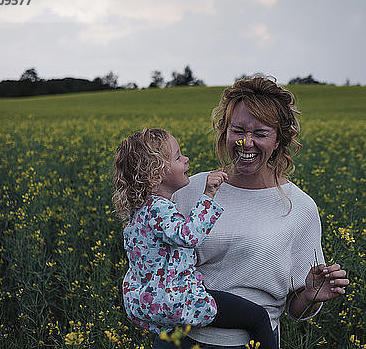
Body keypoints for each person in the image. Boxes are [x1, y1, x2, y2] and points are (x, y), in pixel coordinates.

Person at [159, 75, 349, 349]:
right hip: (180, 340)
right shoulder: (189, 189)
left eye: (260, 134)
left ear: (278, 140)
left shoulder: (300, 208)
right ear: (224, 132)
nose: (246, 143)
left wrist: (309, 296)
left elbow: (296, 309)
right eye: (238, 131)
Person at [113, 128, 278, 349]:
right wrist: (209, 194)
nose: (186, 159)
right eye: (178, 157)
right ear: (156, 174)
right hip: (179, 300)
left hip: (149, 301)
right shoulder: (159, 209)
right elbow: (189, 235)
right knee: (257, 317)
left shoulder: (139, 211)